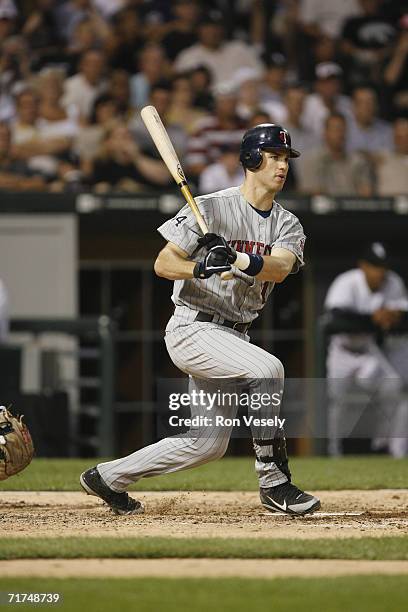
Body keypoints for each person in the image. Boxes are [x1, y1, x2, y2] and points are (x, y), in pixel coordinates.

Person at [80, 122, 321, 517]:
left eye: (285, 159)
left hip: (233, 337)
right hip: (193, 327)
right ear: (251, 158)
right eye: (273, 156)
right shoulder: (210, 205)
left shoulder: (287, 223)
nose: (281, 166)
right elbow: (163, 263)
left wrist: (239, 259)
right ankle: (274, 481)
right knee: (268, 368)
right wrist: (201, 267)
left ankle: (107, 477)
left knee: (207, 444)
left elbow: (278, 268)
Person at [324, 243, 408, 457]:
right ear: (363, 266)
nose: (380, 272)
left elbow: (401, 313)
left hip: (368, 351)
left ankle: (394, 450)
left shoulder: (393, 282)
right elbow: (334, 322)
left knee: (395, 391)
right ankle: (334, 453)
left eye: (383, 266)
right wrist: (373, 319)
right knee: (337, 402)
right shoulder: (347, 282)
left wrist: (394, 316)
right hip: (342, 352)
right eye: (375, 266)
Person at [297, 113, 374, 196]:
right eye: (336, 130)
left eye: (343, 130)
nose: (340, 134)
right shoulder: (311, 161)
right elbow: (308, 193)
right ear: (325, 133)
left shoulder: (357, 161)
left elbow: (366, 193)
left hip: (352, 208)